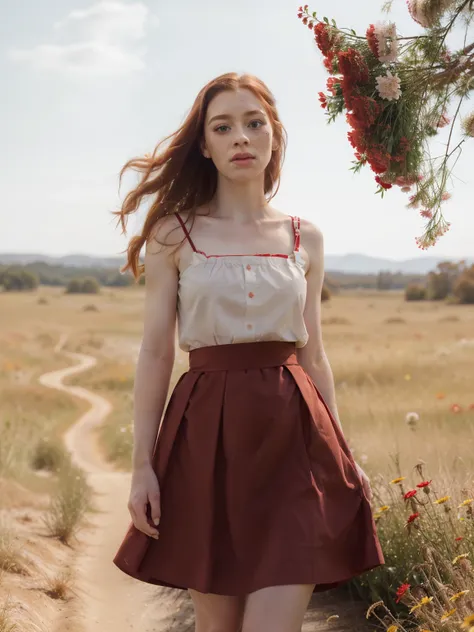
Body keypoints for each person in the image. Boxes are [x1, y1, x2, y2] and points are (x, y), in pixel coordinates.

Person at [112, 71, 384, 632]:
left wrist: (345, 452)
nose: (241, 137)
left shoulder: (306, 236)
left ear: (275, 136)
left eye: (253, 123)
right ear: (205, 146)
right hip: (206, 438)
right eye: (223, 126)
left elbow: (314, 354)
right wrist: (143, 467)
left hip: (296, 439)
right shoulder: (173, 235)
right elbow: (157, 355)